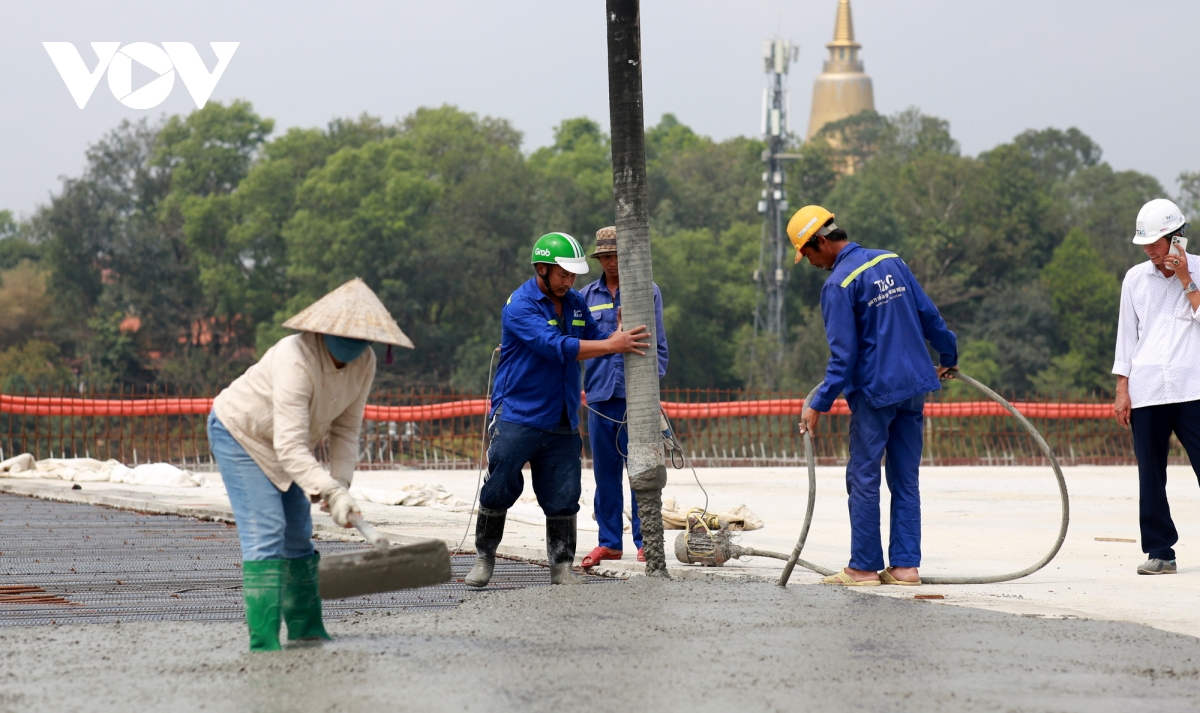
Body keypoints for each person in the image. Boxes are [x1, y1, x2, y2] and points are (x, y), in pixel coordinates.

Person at [207, 278, 413, 651]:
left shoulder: (364, 363)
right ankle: (264, 642)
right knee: (268, 533)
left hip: (289, 447)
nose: (351, 348)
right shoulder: (296, 358)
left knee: (299, 535)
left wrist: (341, 487)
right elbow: (288, 445)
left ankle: (306, 630)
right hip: (242, 434)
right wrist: (328, 489)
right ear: (322, 329)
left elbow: (346, 431)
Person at [466, 232, 650, 587]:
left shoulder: (577, 303)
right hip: (520, 413)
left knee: (565, 495)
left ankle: (561, 566)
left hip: (563, 416)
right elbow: (555, 346)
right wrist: (611, 343)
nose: (569, 281)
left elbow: (596, 338)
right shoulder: (520, 306)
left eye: (573, 275)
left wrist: (617, 335)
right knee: (500, 486)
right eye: (563, 274)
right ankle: (484, 558)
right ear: (542, 269)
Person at [791, 205, 958, 587]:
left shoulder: (838, 285)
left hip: (875, 394)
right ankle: (904, 568)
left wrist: (818, 403)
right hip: (915, 387)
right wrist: (949, 357)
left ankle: (864, 568)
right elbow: (931, 318)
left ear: (820, 241)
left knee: (864, 477)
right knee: (905, 478)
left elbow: (843, 358)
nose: (813, 263)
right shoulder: (892, 261)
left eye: (809, 254)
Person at [1112, 198, 1200, 575]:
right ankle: (1160, 551)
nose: (1150, 250)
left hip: (1192, 387)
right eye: (1145, 244)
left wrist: (1185, 280)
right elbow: (1126, 337)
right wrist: (1122, 389)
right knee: (1151, 473)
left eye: (1156, 242)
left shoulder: (1198, 270)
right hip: (1147, 389)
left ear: (1176, 236)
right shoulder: (1134, 278)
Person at [577, 226, 669, 568]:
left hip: (638, 399)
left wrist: (651, 387)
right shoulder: (586, 296)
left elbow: (659, 347)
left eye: (616, 256)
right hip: (600, 396)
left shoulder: (647, 291)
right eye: (606, 257)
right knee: (605, 473)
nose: (612, 263)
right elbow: (580, 345)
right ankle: (609, 541)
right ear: (599, 259)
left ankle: (646, 542)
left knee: (642, 470)